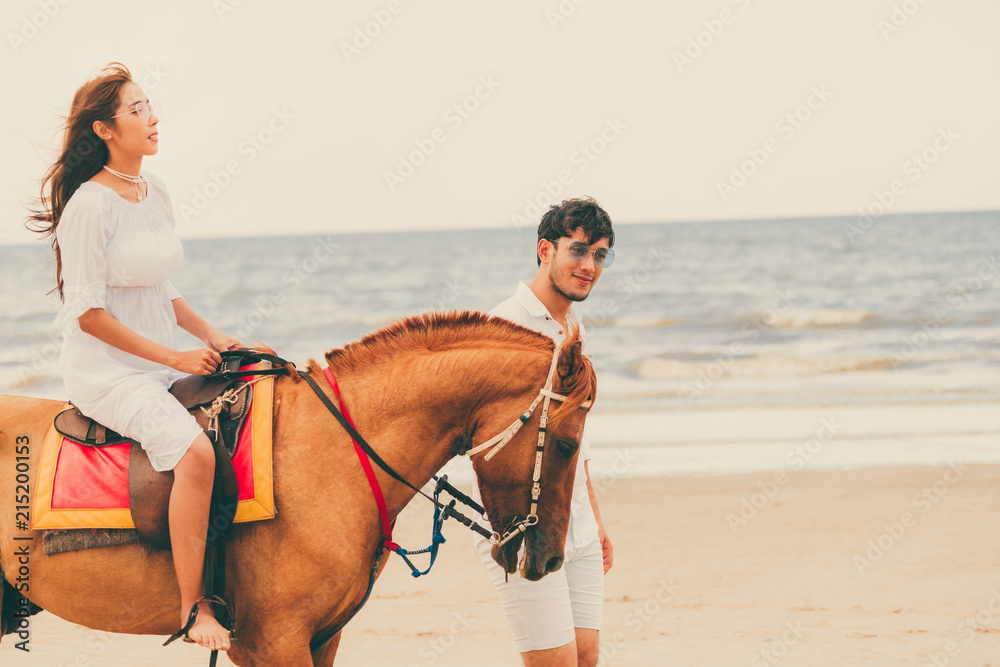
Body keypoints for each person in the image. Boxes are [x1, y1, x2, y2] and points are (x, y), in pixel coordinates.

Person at [27, 63, 240, 652]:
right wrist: (173, 356)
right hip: (109, 371)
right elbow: (89, 314)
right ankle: (193, 608)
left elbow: (161, 291)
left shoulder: (156, 191)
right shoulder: (90, 206)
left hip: (161, 358)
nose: (152, 118)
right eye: (137, 110)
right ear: (103, 129)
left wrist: (218, 337)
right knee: (196, 457)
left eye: (151, 105)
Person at [473, 197, 616, 666]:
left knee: (587, 657)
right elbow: (484, 444)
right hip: (523, 526)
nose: (589, 265)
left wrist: (594, 521)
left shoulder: (572, 326)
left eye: (600, 255)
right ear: (544, 250)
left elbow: (574, 441)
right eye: (578, 250)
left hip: (575, 522)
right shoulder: (504, 326)